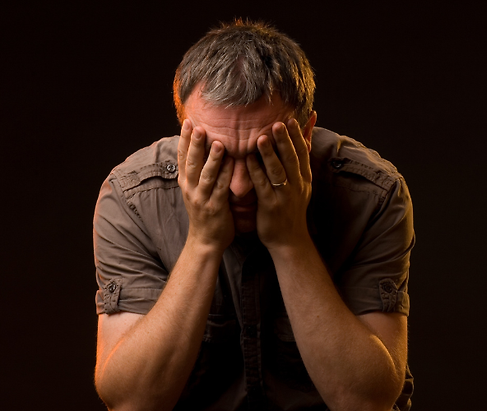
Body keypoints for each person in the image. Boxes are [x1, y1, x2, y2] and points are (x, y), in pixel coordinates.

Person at [93, 19, 414, 411]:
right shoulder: (132, 199)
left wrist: (290, 242)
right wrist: (203, 243)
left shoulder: (372, 195)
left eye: (263, 153)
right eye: (217, 155)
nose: (240, 187)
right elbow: (131, 401)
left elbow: (366, 402)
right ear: (184, 133)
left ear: (306, 133)